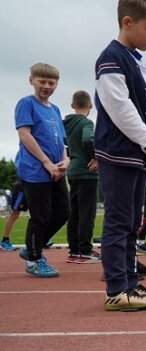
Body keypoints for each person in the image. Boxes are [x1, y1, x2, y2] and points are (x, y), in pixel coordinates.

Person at [94, 0, 146, 311]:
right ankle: (117, 289)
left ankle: (129, 281)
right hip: (119, 152)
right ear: (127, 22)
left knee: (132, 222)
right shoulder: (111, 58)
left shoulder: (131, 61)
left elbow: (141, 110)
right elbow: (120, 109)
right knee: (119, 221)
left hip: (133, 153)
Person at [14, 62, 70, 278]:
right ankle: (35, 259)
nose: (47, 86)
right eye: (42, 81)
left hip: (57, 170)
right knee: (41, 216)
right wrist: (46, 162)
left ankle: (31, 248)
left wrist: (65, 160)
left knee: (63, 212)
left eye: (51, 82)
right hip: (35, 170)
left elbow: (62, 141)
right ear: (31, 81)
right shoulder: (26, 104)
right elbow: (25, 134)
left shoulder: (55, 109)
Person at [64, 90, 100, 264]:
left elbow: (67, 143)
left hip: (73, 170)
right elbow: (88, 139)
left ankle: (74, 250)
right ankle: (85, 250)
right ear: (91, 106)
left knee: (75, 212)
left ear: (72, 105)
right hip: (87, 172)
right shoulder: (87, 122)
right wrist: (95, 157)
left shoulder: (66, 123)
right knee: (87, 212)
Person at [1, 181, 27, 252]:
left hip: (34, 189)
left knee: (38, 214)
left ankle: (41, 240)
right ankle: (4, 240)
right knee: (15, 215)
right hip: (22, 188)